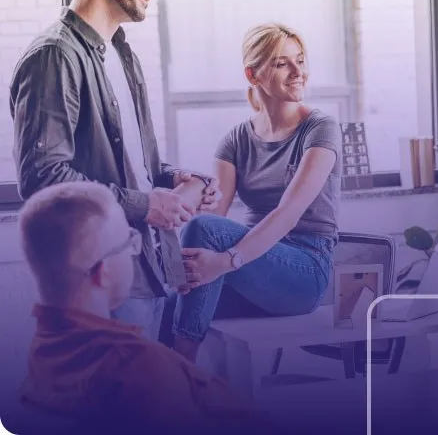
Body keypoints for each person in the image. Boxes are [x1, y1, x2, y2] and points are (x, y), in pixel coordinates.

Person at [9, 0, 218, 341]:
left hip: (150, 269)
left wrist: (171, 179)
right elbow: (42, 178)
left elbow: (137, 166)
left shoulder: (122, 54)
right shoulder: (54, 57)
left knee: (155, 401)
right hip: (102, 286)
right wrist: (146, 204)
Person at [12, 181, 281, 434]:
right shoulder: (143, 371)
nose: (134, 250)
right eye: (130, 242)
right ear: (103, 272)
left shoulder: (42, 354)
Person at [170, 23, 342, 362]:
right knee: (165, 300)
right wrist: (194, 197)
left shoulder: (321, 127)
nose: (298, 72)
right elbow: (210, 217)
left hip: (304, 270)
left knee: (205, 237)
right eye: (282, 63)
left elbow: (287, 214)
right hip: (250, 267)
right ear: (253, 75)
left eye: (301, 61)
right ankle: (153, 394)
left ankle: (180, 368)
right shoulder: (236, 139)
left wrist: (225, 261)